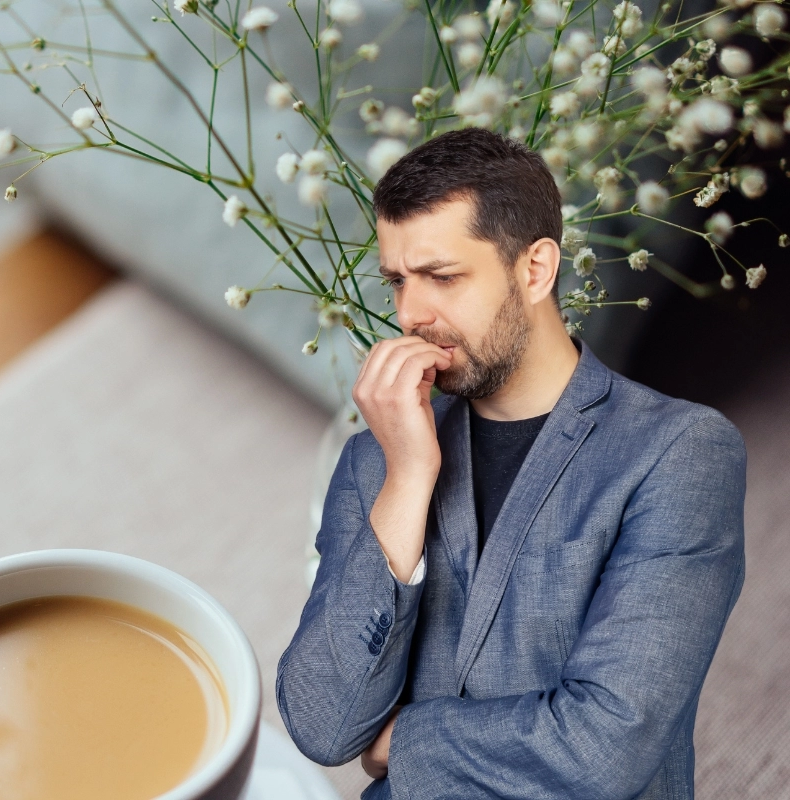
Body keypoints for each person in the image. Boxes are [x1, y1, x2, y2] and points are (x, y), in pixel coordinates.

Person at [275, 128, 746, 800]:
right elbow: (322, 724)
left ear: (535, 269)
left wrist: (401, 741)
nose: (411, 314)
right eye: (398, 282)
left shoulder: (680, 452)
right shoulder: (376, 456)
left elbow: (604, 747)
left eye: (442, 277)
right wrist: (408, 478)